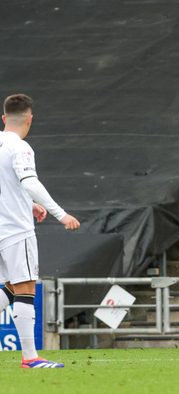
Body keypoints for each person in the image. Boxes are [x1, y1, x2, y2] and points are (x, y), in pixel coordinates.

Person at [0, 94, 80, 368]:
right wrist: (61, 213)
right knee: (25, 287)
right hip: (15, 229)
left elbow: (8, 186)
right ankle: (30, 358)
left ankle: (30, 357)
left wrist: (29, 203)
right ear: (30, 119)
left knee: (11, 287)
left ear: (3, 118)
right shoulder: (20, 147)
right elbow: (29, 181)